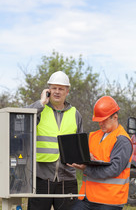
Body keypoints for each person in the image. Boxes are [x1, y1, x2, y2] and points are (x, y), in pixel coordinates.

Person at [27, 71, 83, 210]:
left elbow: (80, 145)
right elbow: (22, 118)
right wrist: (41, 103)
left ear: (67, 91)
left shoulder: (75, 114)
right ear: (48, 90)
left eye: (61, 88)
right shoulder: (39, 110)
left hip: (67, 179)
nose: (57, 92)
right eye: (54, 88)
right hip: (41, 178)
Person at [69, 96, 133, 210]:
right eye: (99, 120)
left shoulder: (122, 140)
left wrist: (86, 168)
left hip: (109, 201)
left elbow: (114, 169)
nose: (101, 123)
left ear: (115, 117)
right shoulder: (94, 136)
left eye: (104, 120)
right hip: (87, 198)